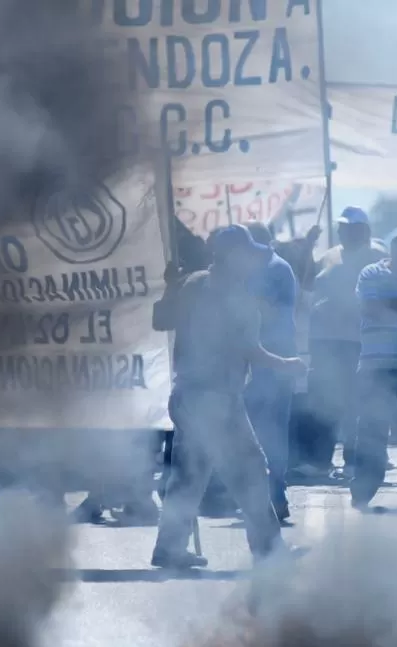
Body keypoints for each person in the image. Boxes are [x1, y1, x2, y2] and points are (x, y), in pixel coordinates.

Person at [150, 224, 306, 569]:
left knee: (189, 475)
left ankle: (169, 548)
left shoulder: (192, 284)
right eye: (247, 252)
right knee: (250, 471)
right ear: (232, 255)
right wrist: (287, 364)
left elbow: (160, 319)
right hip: (217, 399)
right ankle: (268, 550)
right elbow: (249, 350)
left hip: (187, 396)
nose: (252, 259)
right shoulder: (236, 297)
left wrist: (170, 288)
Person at [302, 207, 387, 478]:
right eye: (342, 227)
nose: (344, 231)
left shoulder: (379, 256)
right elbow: (309, 285)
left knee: (355, 402)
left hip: (358, 339)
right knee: (325, 400)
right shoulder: (328, 255)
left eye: (351, 227)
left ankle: (354, 461)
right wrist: (306, 248)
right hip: (325, 339)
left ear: (365, 230)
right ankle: (319, 460)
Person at [350, 226, 397, 508]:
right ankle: (362, 493)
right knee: (371, 431)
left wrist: (394, 304)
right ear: (392, 246)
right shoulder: (371, 272)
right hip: (375, 366)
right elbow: (371, 307)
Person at [245, 222, 298, 521]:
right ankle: (263, 496)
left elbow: (263, 309)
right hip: (260, 358)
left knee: (271, 431)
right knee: (257, 430)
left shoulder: (275, 268)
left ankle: (275, 496)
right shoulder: (262, 269)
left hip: (274, 359)